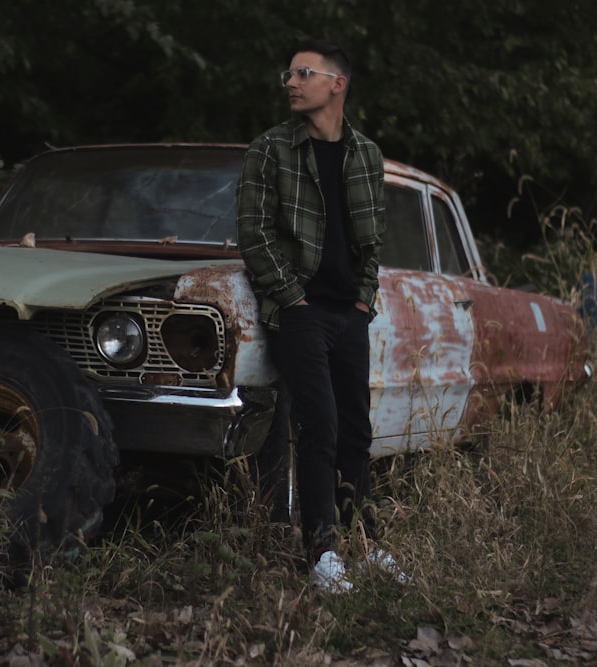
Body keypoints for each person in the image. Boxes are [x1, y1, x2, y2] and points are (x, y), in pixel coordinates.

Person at [236, 39, 392, 592]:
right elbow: (252, 233)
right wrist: (293, 298)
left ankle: (367, 544)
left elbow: (373, 243)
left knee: (356, 429)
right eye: (289, 73)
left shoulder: (367, 155)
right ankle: (322, 553)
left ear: (337, 84)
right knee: (319, 426)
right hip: (298, 312)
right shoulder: (270, 149)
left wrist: (363, 298)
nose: (291, 82)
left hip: (349, 314)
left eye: (305, 73)